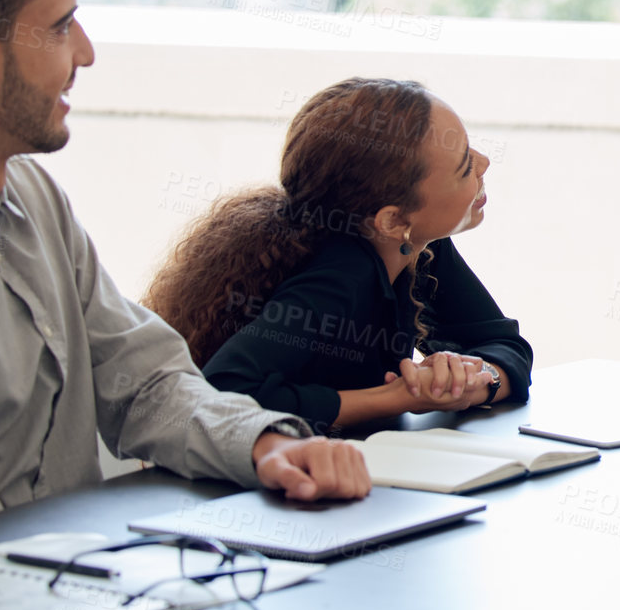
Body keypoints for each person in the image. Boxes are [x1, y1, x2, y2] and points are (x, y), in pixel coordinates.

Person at [0, 0, 368, 539]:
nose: (87, 53)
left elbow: (144, 379)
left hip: (62, 598)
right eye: (61, 26)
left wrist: (265, 445)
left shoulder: (35, 196)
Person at [147, 79, 533, 433]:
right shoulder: (342, 273)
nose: (484, 163)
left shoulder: (418, 246)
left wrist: (472, 380)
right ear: (393, 219)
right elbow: (218, 396)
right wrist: (395, 397)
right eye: (465, 166)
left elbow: (505, 345)